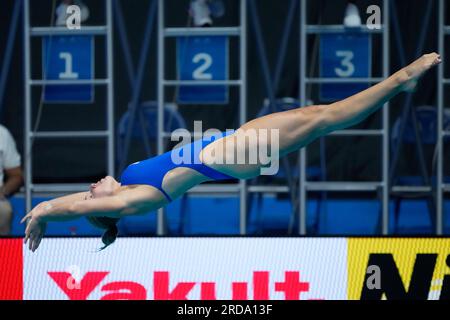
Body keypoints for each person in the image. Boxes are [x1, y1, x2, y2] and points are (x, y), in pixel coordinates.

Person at [22, 53, 441, 252]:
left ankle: (396, 85)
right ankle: (399, 82)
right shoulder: (135, 200)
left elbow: (79, 203)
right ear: (109, 206)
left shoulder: (126, 184)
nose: (91, 186)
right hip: (228, 155)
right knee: (324, 121)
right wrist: (43, 211)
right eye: (94, 192)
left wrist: (49, 206)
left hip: (228, 144)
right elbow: (79, 209)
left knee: (319, 115)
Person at [0, 125, 23, 235]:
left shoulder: (2, 133)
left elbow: (16, 175)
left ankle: (3, 251)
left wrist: (3, 191)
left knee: (4, 211)